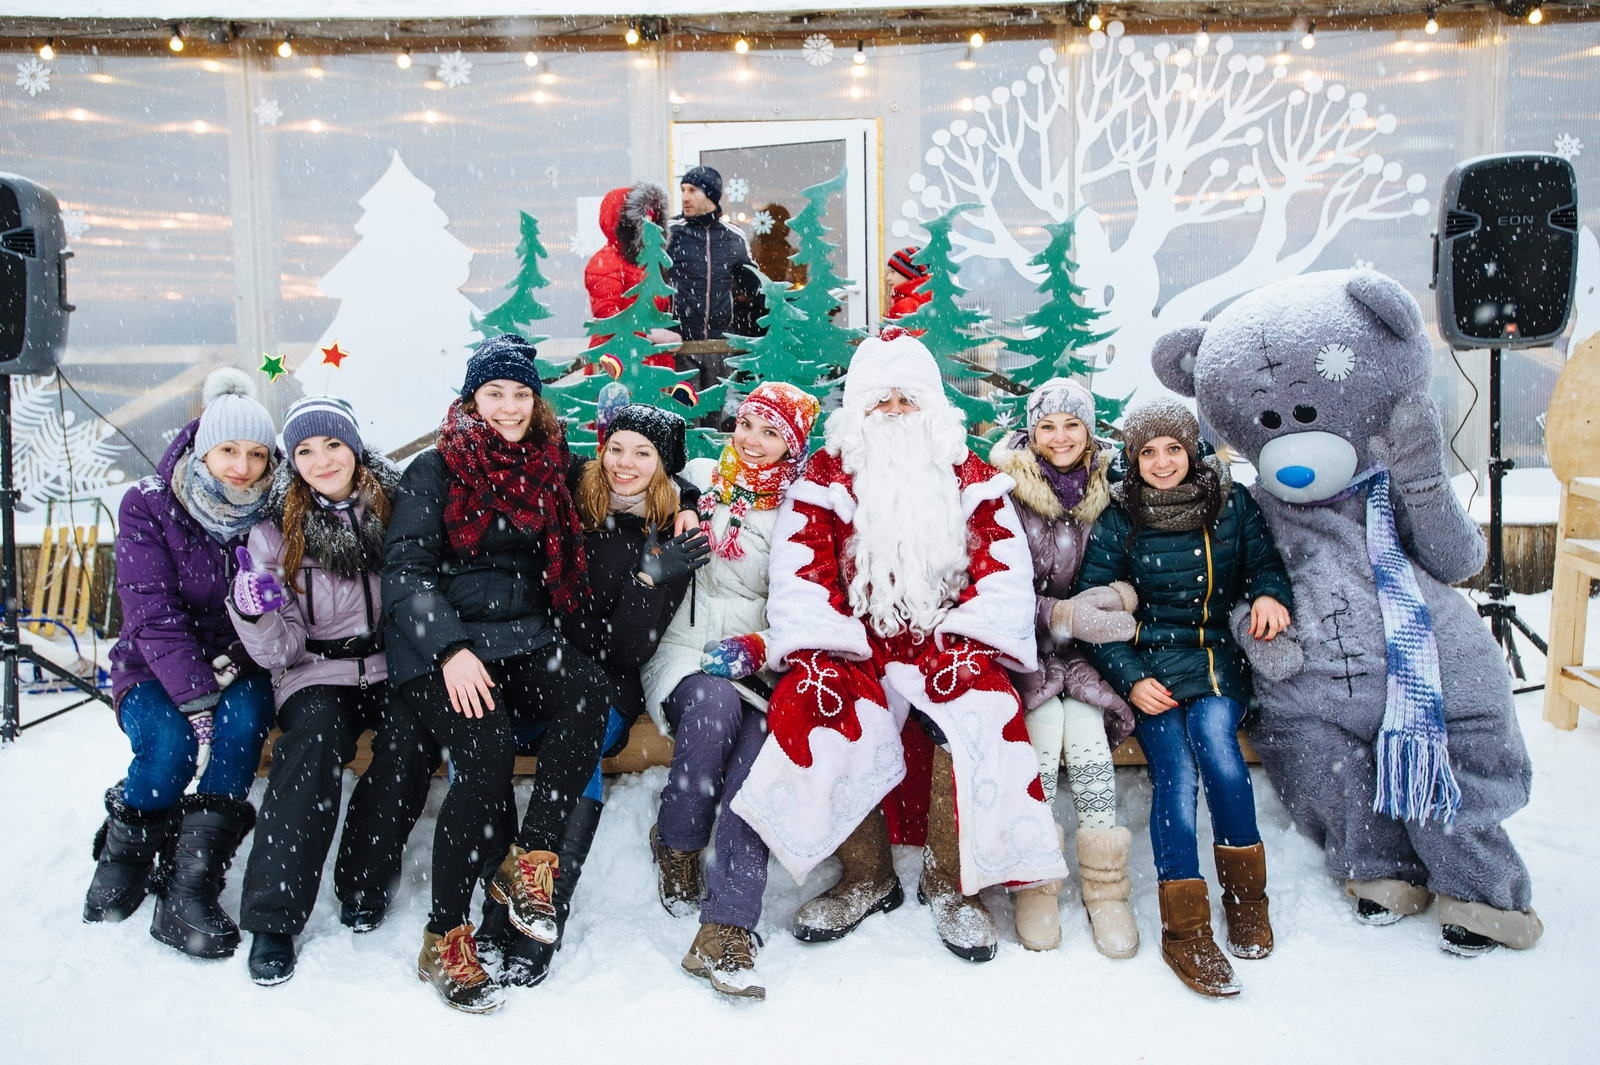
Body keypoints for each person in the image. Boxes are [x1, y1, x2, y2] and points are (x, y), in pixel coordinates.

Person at [731, 330, 1070, 965]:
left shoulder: (969, 474)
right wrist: (828, 643)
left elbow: (1001, 568)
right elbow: (802, 568)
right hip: (856, 638)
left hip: (946, 636)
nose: (891, 412)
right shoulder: (826, 476)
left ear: (932, 407)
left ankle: (949, 882)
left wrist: (967, 637)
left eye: (906, 400)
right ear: (856, 409)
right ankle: (868, 876)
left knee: (981, 706)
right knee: (818, 702)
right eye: (878, 400)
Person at [385, 334, 612, 1014]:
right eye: (495, 394)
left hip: (521, 639)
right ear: (470, 399)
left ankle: (531, 860)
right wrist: (450, 648)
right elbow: (405, 571)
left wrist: (683, 500)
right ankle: (445, 932)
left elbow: (637, 477)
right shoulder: (434, 469)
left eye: (520, 394)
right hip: (441, 649)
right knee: (483, 757)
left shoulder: (549, 463)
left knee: (586, 689)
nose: (509, 407)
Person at [483, 400, 711, 985]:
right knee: (481, 740)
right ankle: (492, 906)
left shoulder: (666, 542)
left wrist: (645, 580)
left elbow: (625, 651)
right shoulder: (571, 495)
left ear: (662, 466)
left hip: (605, 686)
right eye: (617, 448)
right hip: (535, 667)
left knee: (576, 742)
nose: (624, 464)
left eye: (644, 454)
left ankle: (545, 907)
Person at [1074, 398, 1294, 999]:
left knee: (1219, 749)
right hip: (1150, 663)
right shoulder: (1120, 517)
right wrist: (1129, 679)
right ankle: (1186, 926)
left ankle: (1247, 899)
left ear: (1192, 450)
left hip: (1215, 655)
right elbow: (1094, 610)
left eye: (1173, 448)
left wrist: (1272, 595)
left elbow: (1264, 566)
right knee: (1173, 772)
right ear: (1132, 459)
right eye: (1148, 452)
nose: (1162, 461)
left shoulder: (1231, 502)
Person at [86, 367, 277, 962]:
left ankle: (191, 884)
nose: (240, 467)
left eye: (255, 455)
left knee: (243, 728)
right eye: (227, 450)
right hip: (151, 663)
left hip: (242, 662)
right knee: (168, 747)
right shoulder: (149, 504)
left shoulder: (276, 511)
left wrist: (257, 620)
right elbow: (151, 611)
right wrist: (195, 695)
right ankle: (128, 848)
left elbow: (287, 605)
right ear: (201, 446)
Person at [640, 381, 820, 1001]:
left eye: (773, 433)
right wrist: (687, 500)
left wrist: (761, 648)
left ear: (793, 445)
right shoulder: (698, 477)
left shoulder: (799, 512)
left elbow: (805, 607)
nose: (754, 441)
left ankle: (727, 927)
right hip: (683, 649)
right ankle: (680, 840)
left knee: (758, 763)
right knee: (711, 709)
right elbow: (643, 474)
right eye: (748, 425)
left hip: (755, 663)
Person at [222, 395, 401, 986]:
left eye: (332, 445)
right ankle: (274, 917)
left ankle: (364, 881)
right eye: (304, 450)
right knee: (315, 742)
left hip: (388, 666)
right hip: (314, 672)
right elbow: (281, 650)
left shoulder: (394, 508)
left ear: (354, 447)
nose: (321, 460)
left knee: (408, 738)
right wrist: (256, 614)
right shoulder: (277, 532)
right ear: (292, 460)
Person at [988, 378, 1141, 957]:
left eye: (1072, 425)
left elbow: (1132, 564)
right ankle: (1037, 881)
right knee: (1045, 729)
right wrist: (1061, 614)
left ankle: (1107, 890)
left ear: (1089, 430)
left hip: (1090, 653)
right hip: (1023, 649)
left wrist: (1119, 598)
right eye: (1048, 425)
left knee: (1087, 735)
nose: (1060, 438)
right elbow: (994, 592)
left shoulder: (1110, 491)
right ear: (1032, 430)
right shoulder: (1005, 494)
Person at [666, 164, 764, 342]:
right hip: (678, 343)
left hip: (720, 343)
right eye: (683, 190)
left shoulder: (734, 236)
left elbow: (754, 286)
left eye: (692, 190)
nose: (685, 197)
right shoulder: (670, 232)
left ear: (711, 195)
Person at [584, 181, 679, 365]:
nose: (651, 226)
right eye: (644, 220)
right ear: (626, 223)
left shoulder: (646, 263)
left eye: (654, 220)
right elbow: (608, 316)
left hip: (650, 363)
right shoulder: (606, 262)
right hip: (619, 362)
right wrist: (650, 334)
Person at [883, 245, 932, 320]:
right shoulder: (923, 300)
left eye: (893, 272)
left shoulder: (906, 305)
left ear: (910, 274)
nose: (888, 278)